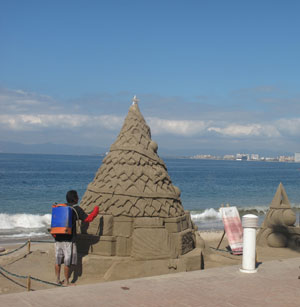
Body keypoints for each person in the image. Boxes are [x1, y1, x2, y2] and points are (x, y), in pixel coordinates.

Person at [53, 190, 99, 286]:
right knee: (67, 261)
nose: (78, 198)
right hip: (69, 240)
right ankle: (66, 282)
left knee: (58, 261)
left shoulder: (60, 207)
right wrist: (96, 210)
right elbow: (88, 219)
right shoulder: (76, 209)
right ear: (74, 198)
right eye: (77, 196)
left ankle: (57, 280)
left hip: (58, 239)